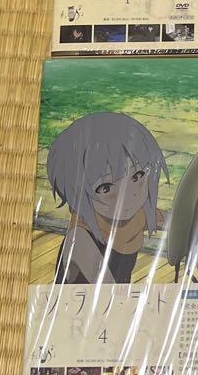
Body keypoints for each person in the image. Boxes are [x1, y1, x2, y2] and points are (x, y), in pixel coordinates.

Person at [47, 113, 168, 284]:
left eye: (137, 176)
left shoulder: (138, 215)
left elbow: (192, 226)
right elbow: (110, 294)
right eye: (106, 188)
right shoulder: (80, 240)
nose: (127, 195)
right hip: (90, 301)